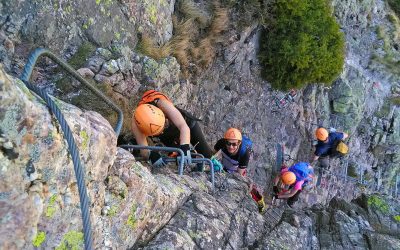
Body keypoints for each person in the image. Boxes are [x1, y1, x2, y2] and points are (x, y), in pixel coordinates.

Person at [131, 90, 213, 167]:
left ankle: (205, 162)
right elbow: (144, 150)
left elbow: (183, 126)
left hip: (187, 124)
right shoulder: (136, 124)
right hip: (166, 136)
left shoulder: (162, 104)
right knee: (177, 155)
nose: (163, 129)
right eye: (160, 130)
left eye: (164, 125)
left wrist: (184, 147)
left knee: (206, 154)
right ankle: (195, 159)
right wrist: (152, 155)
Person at [213, 128, 266, 212]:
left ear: (239, 143)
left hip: (237, 167)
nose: (231, 146)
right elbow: (213, 155)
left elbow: (239, 175)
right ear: (225, 141)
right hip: (226, 163)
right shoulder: (221, 142)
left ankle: (259, 201)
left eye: (234, 144)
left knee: (244, 185)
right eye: (228, 143)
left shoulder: (245, 153)